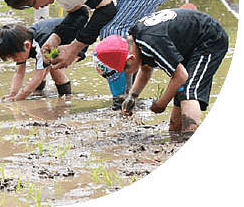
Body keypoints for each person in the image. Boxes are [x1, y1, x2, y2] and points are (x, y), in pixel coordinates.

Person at [0, 0, 180, 107]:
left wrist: (74, 48)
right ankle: (127, 96)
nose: (37, 8)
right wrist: (55, 39)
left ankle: (122, 101)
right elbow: (79, 14)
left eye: (32, 2)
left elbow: (106, 9)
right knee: (115, 31)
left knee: (112, 31)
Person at [94, 8, 229, 137]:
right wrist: (132, 96)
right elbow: (146, 69)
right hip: (190, 43)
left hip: (209, 39)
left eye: (125, 70)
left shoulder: (151, 42)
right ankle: (176, 135)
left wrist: (161, 104)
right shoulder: (138, 41)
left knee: (188, 90)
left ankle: (189, 134)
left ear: (130, 59)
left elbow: (180, 76)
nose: (127, 74)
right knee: (180, 92)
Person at [0, 12, 89, 101]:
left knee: (55, 67)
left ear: (27, 45)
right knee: (43, 65)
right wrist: (12, 94)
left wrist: (19, 98)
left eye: (14, 57)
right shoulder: (20, 41)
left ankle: (65, 98)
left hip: (77, 39)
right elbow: (19, 73)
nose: (14, 60)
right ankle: (39, 92)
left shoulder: (41, 45)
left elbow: (38, 77)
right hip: (56, 41)